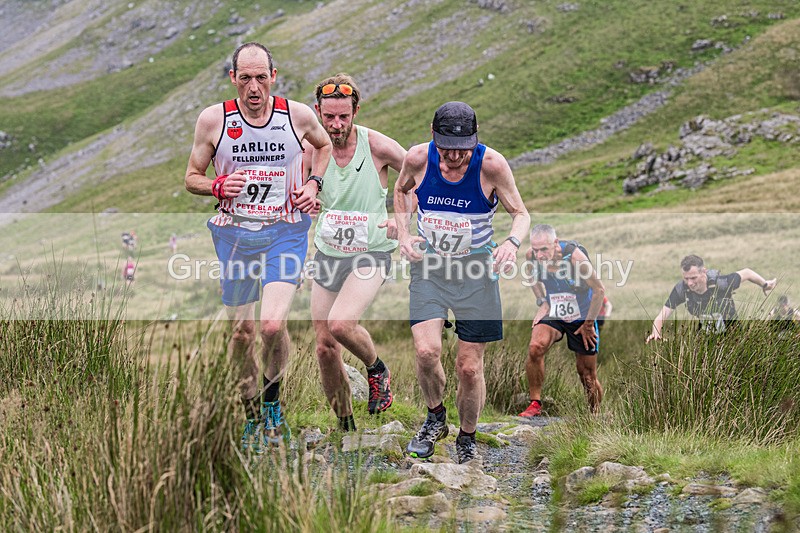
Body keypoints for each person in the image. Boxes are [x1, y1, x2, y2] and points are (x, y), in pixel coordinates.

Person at [184, 42, 332, 452]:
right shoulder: (213, 120)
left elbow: (323, 146)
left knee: (270, 326)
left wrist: (313, 184)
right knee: (241, 333)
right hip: (235, 236)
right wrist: (216, 185)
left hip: (285, 231)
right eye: (245, 78)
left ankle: (272, 405)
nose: (254, 87)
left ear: (273, 76)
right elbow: (191, 177)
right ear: (233, 78)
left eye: (261, 78)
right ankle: (251, 415)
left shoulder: (296, 115)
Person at [394, 101, 530, 464]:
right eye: (446, 148)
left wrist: (511, 243)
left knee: (469, 367)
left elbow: (520, 213)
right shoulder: (417, 159)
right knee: (426, 352)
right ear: (433, 136)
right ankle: (435, 418)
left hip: (476, 274)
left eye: (463, 149)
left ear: (475, 139)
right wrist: (404, 235)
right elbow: (401, 190)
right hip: (430, 267)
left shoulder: (492, 165)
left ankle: (467, 436)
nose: (454, 156)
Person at [304, 74, 407, 431]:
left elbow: (420, 176)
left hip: (371, 251)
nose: (336, 125)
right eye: (329, 117)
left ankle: (377, 369)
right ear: (318, 112)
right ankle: (346, 427)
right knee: (324, 347)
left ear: (356, 111)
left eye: (343, 117)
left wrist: (401, 218)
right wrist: (306, 199)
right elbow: (297, 189)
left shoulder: (376, 145)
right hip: (329, 252)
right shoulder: (312, 149)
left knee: (341, 324)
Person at [519, 224, 606, 417]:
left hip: (582, 315)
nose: (539, 255)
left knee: (586, 374)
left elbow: (599, 290)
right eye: (536, 249)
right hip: (555, 310)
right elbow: (531, 276)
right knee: (535, 347)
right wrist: (542, 301)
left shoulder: (575, 258)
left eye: (544, 249)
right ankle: (535, 404)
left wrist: (588, 324)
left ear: (556, 243)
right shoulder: (531, 256)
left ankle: (595, 416)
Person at [646, 254, 777, 342]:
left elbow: (747, 273)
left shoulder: (722, 283)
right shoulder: (682, 289)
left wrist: (765, 284)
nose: (690, 283)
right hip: (705, 339)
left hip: (734, 337)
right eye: (686, 278)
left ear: (704, 271)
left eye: (693, 278)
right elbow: (663, 314)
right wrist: (656, 332)